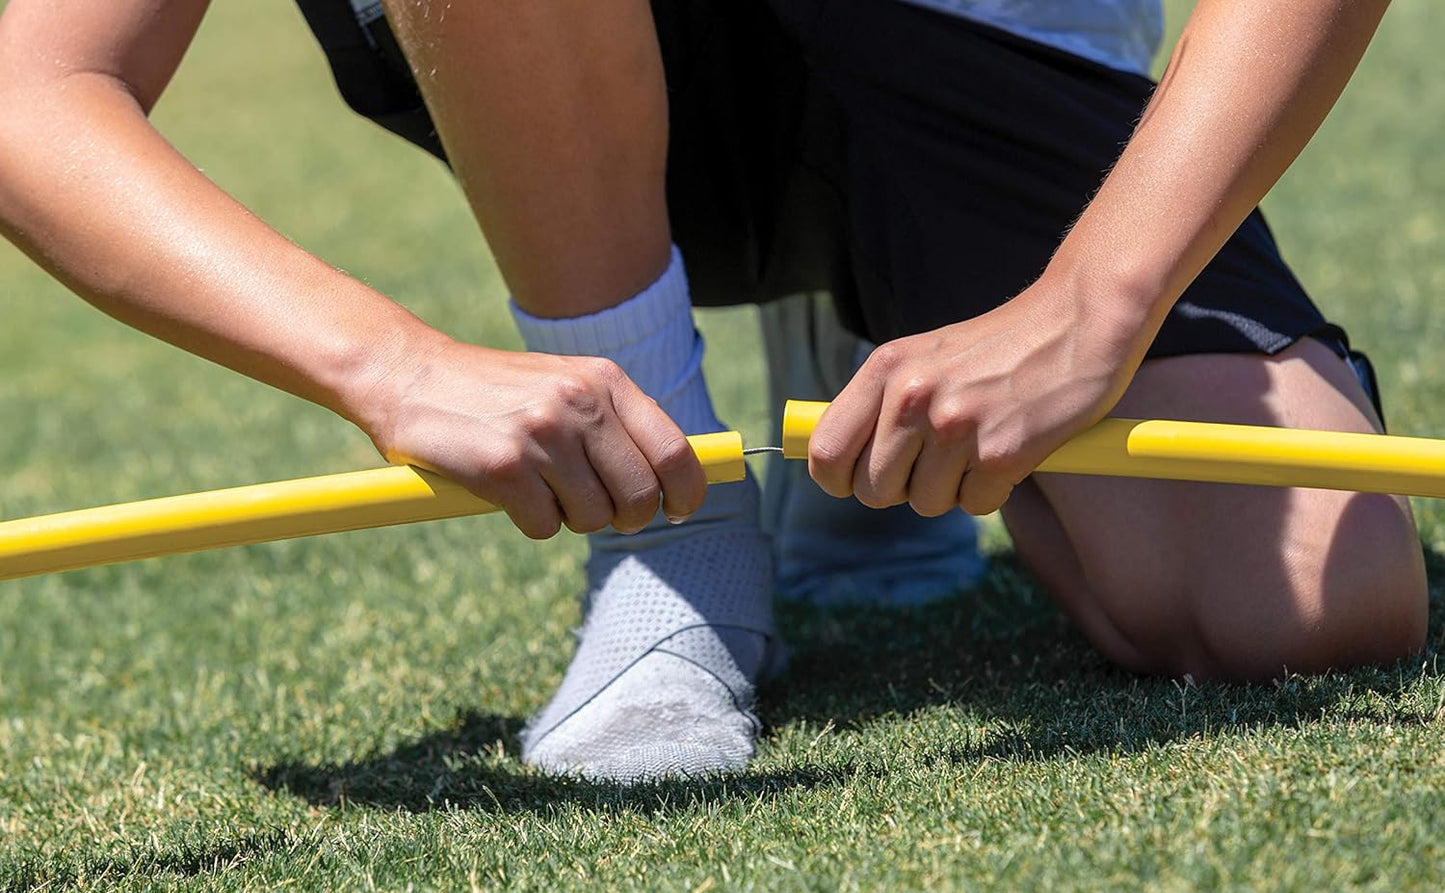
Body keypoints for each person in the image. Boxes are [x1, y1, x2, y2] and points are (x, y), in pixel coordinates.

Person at [0, 0, 1424, 786]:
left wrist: (1084, 308)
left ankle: (858, 343)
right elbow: (32, 79)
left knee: (1304, 601)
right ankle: (671, 543)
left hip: (971, 33)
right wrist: (392, 363)